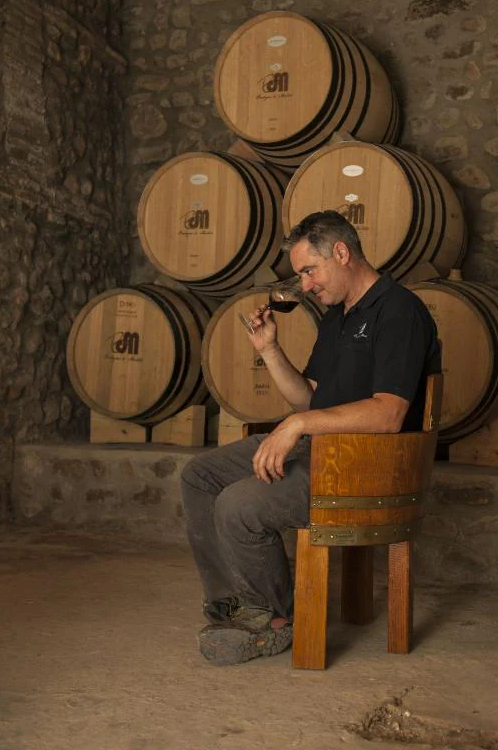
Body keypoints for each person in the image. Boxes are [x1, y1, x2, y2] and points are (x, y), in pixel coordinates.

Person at [180, 210, 441, 666]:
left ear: (341, 253)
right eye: (301, 273)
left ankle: (272, 620)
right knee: (199, 475)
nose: (305, 285)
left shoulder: (400, 311)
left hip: (363, 463)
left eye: (309, 270)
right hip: (323, 449)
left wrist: (296, 427)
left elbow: (389, 413)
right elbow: (309, 398)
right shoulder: (339, 317)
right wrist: (270, 350)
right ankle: (238, 605)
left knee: (240, 504)